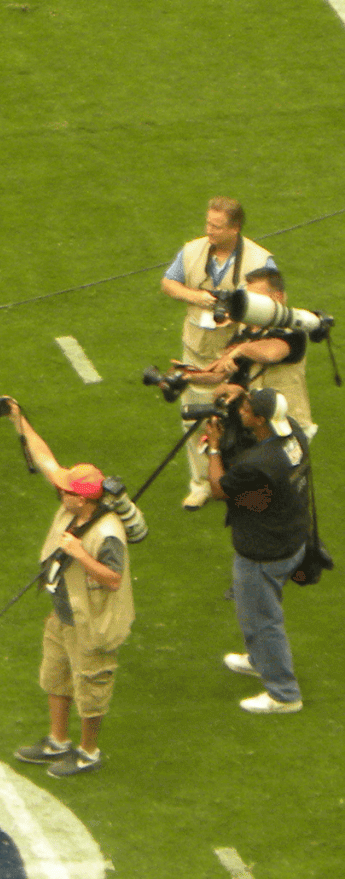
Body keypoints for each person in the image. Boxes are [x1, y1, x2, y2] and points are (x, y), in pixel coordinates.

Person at [4, 404, 133, 776]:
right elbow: (46, 461)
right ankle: (58, 740)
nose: (59, 492)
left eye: (66, 491)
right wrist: (19, 420)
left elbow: (114, 578)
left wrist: (78, 553)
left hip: (93, 621)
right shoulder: (76, 507)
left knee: (91, 686)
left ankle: (88, 751)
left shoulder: (108, 533)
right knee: (56, 676)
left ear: (84, 498)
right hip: (64, 613)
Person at [160, 196, 276, 509]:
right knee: (196, 417)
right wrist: (196, 296)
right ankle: (201, 484)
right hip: (197, 347)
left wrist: (237, 313)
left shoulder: (260, 260)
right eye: (208, 223)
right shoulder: (193, 250)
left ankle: (246, 481)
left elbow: (273, 309)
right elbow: (169, 283)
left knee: (246, 418)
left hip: (240, 355)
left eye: (217, 226)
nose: (209, 230)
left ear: (235, 228)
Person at [207, 388, 312, 714]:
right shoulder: (293, 433)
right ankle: (259, 660)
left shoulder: (258, 463)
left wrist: (212, 448)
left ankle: (284, 694)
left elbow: (218, 488)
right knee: (262, 612)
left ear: (262, 419)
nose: (241, 410)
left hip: (263, 552)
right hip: (292, 537)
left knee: (261, 620)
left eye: (248, 407)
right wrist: (242, 391)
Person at [183, 267, 314, 433]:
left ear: (277, 297)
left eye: (256, 298)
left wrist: (239, 350)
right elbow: (218, 373)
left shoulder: (293, 330)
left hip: (285, 427)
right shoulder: (245, 332)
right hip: (252, 426)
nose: (249, 304)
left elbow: (270, 354)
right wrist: (186, 376)